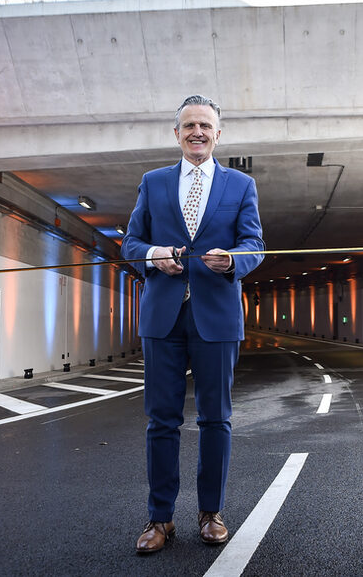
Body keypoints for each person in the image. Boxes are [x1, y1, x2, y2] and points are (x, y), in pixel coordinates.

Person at [121, 94, 265, 554]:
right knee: (160, 421)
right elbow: (131, 243)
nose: (197, 132)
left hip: (217, 317)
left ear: (218, 133)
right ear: (176, 133)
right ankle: (160, 519)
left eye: (205, 125)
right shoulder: (153, 182)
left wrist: (233, 262)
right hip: (162, 316)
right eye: (189, 126)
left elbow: (254, 244)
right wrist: (152, 254)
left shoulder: (241, 185)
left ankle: (210, 513)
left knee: (215, 418)